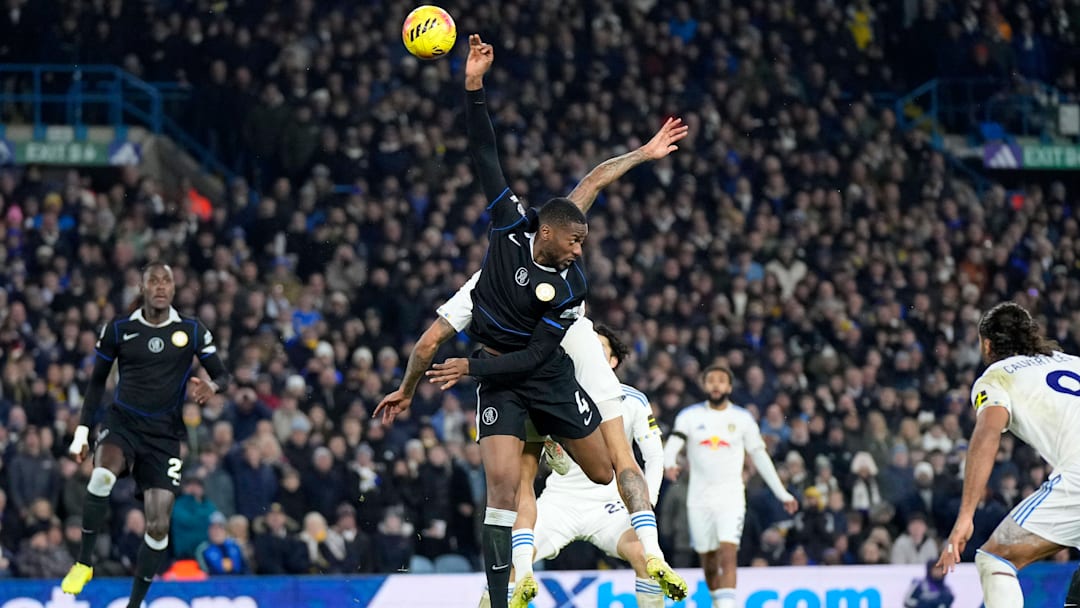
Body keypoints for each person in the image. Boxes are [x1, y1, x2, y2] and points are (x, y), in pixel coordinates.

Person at [376, 36, 689, 608]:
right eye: (574, 241)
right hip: (500, 365)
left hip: (552, 358)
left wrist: (644, 154)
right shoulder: (504, 237)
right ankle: (503, 593)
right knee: (501, 487)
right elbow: (484, 152)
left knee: (607, 469)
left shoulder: (570, 287)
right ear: (546, 232)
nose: (580, 250)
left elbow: (593, 184)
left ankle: (646, 546)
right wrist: (473, 86)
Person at [61, 262, 230, 608]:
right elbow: (96, 383)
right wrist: (82, 432)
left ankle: (134, 605)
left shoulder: (191, 330)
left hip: (164, 437)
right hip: (122, 424)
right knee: (102, 476)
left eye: (166, 281)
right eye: (153, 281)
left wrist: (211, 386)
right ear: (142, 287)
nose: (160, 286)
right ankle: (84, 563)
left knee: (157, 527)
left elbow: (222, 375)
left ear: (174, 288)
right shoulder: (119, 328)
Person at [478, 325, 667, 608]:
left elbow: (654, 457)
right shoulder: (553, 393)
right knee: (512, 564)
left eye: (599, 348)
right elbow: (542, 457)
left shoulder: (633, 400)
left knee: (646, 558)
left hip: (609, 504)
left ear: (613, 360)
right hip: (561, 501)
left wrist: (646, 502)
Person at [936, 302, 1080, 607]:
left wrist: (966, 516)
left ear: (988, 345)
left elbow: (988, 434)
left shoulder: (997, 376)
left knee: (995, 559)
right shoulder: (1073, 362)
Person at [663, 365, 799, 608]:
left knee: (728, 552)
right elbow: (674, 442)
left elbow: (759, 456)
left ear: (729, 386)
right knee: (709, 561)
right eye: (711, 380)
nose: (716, 384)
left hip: (731, 496)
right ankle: (718, 602)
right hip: (699, 498)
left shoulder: (742, 419)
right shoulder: (689, 416)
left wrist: (782, 493)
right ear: (704, 385)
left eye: (721, 380)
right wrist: (669, 461)